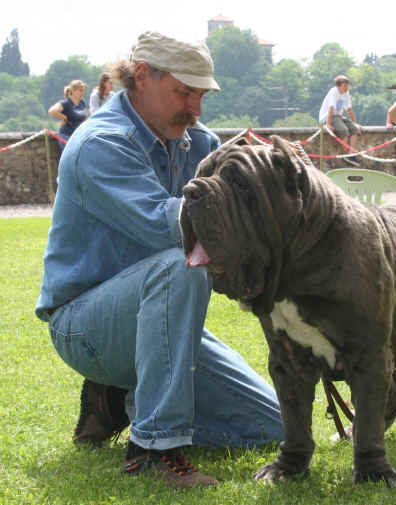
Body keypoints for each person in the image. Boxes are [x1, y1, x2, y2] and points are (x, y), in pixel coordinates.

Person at [35, 31, 283, 490]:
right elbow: (168, 226)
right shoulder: (99, 144)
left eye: (201, 95)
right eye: (184, 93)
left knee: (273, 427)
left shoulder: (197, 141)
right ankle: (154, 447)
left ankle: (120, 398)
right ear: (143, 77)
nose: (196, 108)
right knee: (180, 264)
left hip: (161, 320)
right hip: (83, 325)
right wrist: (258, 209)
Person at [319, 75, 361, 163]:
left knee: (355, 129)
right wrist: (328, 124)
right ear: (338, 86)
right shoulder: (334, 92)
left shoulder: (346, 93)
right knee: (344, 130)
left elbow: (349, 109)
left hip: (338, 116)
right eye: (344, 86)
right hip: (327, 117)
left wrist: (354, 123)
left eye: (347, 85)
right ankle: (345, 154)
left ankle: (351, 154)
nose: (346, 88)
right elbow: (331, 108)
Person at [48, 80, 88, 148]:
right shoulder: (66, 103)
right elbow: (52, 111)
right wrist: (63, 117)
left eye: (83, 90)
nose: (82, 93)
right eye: (80, 90)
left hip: (78, 136)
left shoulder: (82, 103)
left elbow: (85, 117)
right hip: (66, 136)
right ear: (73, 91)